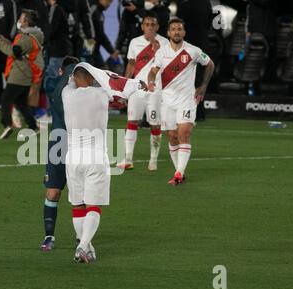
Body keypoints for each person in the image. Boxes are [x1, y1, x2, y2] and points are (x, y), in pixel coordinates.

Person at [62, 62, 146, 263]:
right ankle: (83, 246)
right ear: (92, 78)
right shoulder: (101, 94)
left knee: (78, 205)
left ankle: (87, 246)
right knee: (94, 206)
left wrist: (79, 73)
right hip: (96, 156)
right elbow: (122, 85)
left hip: (73, 158)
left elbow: (72, 80)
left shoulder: (67, 94)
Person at [147, 18, 214, 185]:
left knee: (184, 133)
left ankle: (178, 174)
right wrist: (150, 81)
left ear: (184, 32)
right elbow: (153, 71)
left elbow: (210, 64)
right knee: (172, 136)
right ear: (168, 33)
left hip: (187, 100)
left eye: (179, 29)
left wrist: (203, 86)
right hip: (167, 100)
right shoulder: (161, 52)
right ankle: (180, 171)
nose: (177, 32)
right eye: (173, 29)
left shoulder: (193, 51)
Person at [117, 12, 167, 171]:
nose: (150, 27)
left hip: (155, 90)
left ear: (157, 27)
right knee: (132, 121)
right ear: (142, 26)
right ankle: (128, 158)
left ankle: (153, 160)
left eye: (153, 25)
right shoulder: (134, 42)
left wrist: (156, 47)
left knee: (155, 124)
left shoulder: (165, 43)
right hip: (137, 89)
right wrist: (125, 84)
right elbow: (131, 63)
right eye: (147, 24)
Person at [40, 56, 79, 251]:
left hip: (79, 144)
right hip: (59, 144)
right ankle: (49, 236)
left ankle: (81, 237)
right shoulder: (55, 84)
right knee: (54, 191)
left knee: (78, 194)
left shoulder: (85, 90)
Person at [0, 9, 43, 139]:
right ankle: (33, 126)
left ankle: (7, 125)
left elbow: (13, 51)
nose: (19, 21)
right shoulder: (31, 35)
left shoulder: (26, 38)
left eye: (21, 19)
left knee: (5, 99)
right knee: (20, 103)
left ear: (26, 22)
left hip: (19, 74)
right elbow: (14, 47)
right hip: (25, 73)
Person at [88, 0, 118, 68]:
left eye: (111, 2)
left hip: (95, 50)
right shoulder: (92, 9)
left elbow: (100, 34)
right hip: (87, 51)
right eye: (109, 1)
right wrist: (111, 51)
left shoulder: (99, 13)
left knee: (102, 72)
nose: (109, 4)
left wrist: (111, 51)